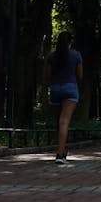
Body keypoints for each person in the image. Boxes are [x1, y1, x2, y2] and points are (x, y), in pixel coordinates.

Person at [42, 31, 84, 161]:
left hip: (55, 89)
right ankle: (60, 154)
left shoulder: (51, 56)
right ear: (70, 42)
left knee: (58, 122)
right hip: (70, 89)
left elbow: (48, 76)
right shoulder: (76, 55)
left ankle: (62, 149)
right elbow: (80, 76)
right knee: (64, 121)